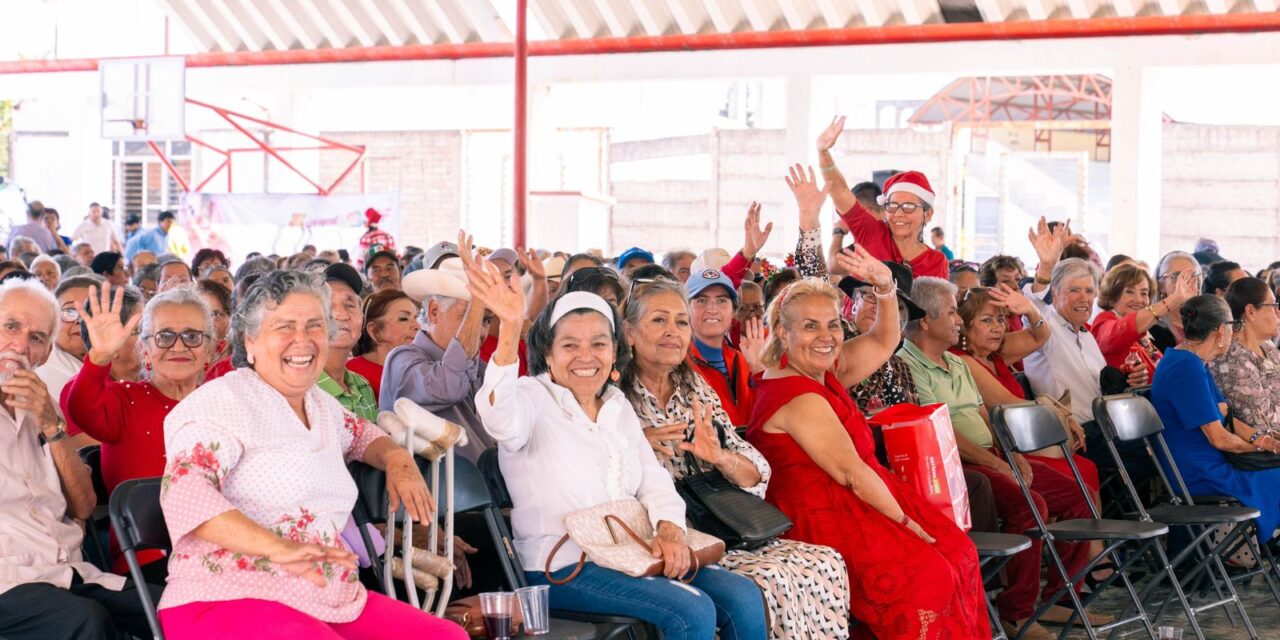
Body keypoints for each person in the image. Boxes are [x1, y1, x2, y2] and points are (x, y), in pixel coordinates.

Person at [469, 253, 768, 640]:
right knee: (690, 609)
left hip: (631, 552)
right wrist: (510, 328)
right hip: (561, 565)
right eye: (570, 345)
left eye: (598, 344)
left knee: (742, 595)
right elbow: (498, 417)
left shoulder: (616, 404)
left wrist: (670, 531)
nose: (585, 357)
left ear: (614, 352)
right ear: (548, 353)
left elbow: (653, 480)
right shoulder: (530, 396)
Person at [155, 270, 464, 639]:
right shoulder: (221, 403)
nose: (302, 341)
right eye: (284, 327)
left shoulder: (320, 404)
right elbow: (185, 495)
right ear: (250, 341)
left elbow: (362, 434)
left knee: (449, 637)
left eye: (315, 325)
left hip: (327, 596)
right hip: (226, 595)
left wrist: (398, 460)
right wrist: (280, 550)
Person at [744, 273, 989, 639]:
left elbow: (883, 339)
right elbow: (851, 474)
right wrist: (906, 524)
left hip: (857, 498)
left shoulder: (821, 372)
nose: (826, 337)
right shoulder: (799, 395)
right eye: (810, 327)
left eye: (832, 325)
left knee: (959, 552)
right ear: (783, 333)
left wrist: (886, 288)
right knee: (928, 574)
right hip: (823, 514)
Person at [620, 277, 850, 639]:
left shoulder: (693, 386)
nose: (672, 332)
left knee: (824, 561)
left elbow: (755, 470)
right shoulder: (613, 392)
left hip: (717, 519)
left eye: (681, 322)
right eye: (659, 320)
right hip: (659, 530)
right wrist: (637, 443)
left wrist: (720, 457)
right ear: (629, 332)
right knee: (767, 579)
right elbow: (597, 469)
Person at [899, 277, 1096, 638]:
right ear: (925, 319)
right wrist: (996, 463)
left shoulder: (954, 364)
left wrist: (1010, 452)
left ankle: (1060, 598)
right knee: (1029, 503)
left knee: (1074, 492)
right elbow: (939, 431)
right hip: (953, 463)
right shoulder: (907, 364)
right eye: (952, 313)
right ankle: (1016, 613)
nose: (957, 320)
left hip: (989, 453)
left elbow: (984, 418)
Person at [0, 277, 163, 640]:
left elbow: (84, 506)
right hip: (8, 582)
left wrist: (53, 426)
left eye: (37, 338)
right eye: (11, 326)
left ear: (45, 354)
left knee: (171, 608)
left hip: (70, 571)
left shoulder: (41, 407)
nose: (21, 345)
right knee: (84, 621)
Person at [65, 284, 214, 576]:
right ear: (144, 349)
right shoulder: (123, 400)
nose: (179, 346)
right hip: (151, 563)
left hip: (228, 551)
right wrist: (100, 356)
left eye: (193, 336)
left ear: (209, 350)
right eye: (165, 336)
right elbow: (80, 406)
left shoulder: (223, 404)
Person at [1152, 294, 1280, 547]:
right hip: (1200, 470)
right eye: (1233, 326)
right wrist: (1261, 448)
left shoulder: (1192, 360)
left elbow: (1226, 416)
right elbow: (1220, 439)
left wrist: (1265, 441)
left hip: (1212, 461)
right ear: (1222, 330)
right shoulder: (1185, 366)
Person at [382, 253, 494, 461]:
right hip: (439, 490)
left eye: (485, 320)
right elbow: (448, 386)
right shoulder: (402, 358)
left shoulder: (481, 368)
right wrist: (478, 299)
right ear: (434, 311)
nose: (479, 331)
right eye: (470, 317)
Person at [815, 117, 948, 279]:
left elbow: (936, 304)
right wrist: (823, 153)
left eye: (908, 207)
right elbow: (840, 192)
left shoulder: (937, 261)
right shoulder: (872, 233)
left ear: (928, 214)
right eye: (892, 205)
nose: (899, 213)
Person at [1092, 264, 1195, 380]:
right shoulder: (1103, 321)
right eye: (1130, 292)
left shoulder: (1147, 334)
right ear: (1112, 296)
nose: (1139, 300)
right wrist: (1175, 298)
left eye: (1144, 293)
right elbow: (1125, 329)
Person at [686, 268, 760, 426]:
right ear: (686, 310)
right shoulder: (678, 363)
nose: (712, 309)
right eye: (701, 300)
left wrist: (758, 371)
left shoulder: (741, 359)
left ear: (733, 311)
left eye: (721, 301)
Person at [1211, 278, 1280, 433]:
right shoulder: (1231, 360)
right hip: (1264, 451)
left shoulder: (1266, 346)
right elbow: (1265, 425)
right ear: (1250, 312)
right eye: (1273, 305)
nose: (1278, 312)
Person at [317, 263, 378, 422]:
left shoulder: (362, 385)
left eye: (350, 305)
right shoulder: (301, 389)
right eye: (328, 306)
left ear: (362, 320)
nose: (342, 315)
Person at [37, 275, 101, 420]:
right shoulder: (37, 371)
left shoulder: (123, 364)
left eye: (89, 312)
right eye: (69, 312)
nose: (79, 321)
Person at [348, 289, 417, 404]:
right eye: (404, 319)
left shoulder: (417, 369)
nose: (417, 326)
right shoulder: (352, 372)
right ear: (374, 331)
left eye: (416, 317)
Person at [1149, 251, 1204, 353]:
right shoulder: (1152, 327)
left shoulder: (1208, 321)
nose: (1185, 282)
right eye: (1176, 276)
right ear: (1161, 286)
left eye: (1193, 275)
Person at [195, 279, 232, 364]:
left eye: (215, 315)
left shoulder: (236, 361)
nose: (208, 323)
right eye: (202, 314)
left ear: (229, 319)